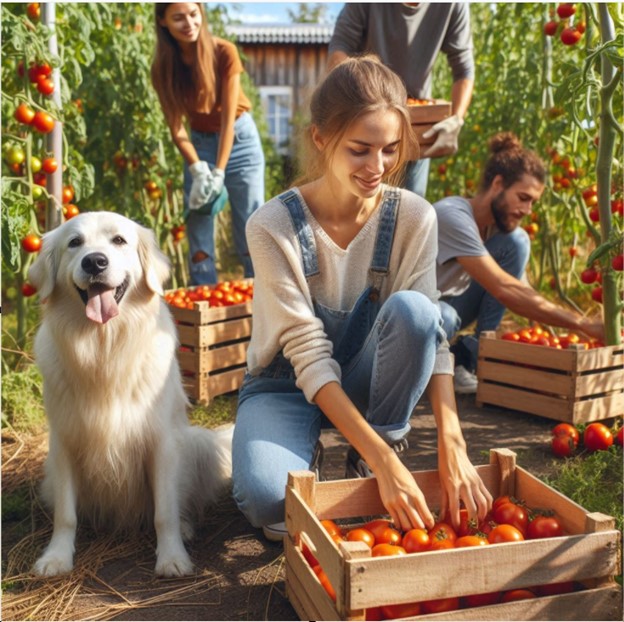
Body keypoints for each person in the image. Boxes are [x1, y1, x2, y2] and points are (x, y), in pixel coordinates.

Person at [232, 56, 491, 542]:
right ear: (320, 139)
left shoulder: (414, 217)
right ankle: (325, 449)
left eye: (391, 149)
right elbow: (306, 353)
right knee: (267, 502)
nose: (378, 168)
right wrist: (387, 466)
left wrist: (451, 441)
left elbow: (430, 340)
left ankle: (376, 445)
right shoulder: (272, 225)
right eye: (360, 150)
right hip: (285, 381)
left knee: (418, 312)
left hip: (364, 373)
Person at [435, 132, 606, 394]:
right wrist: (581, 324)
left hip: (452, 308)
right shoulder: (452, 215)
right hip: (413, 313)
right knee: (441, 318)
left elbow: (521, 292)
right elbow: (507, 290)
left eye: (533, 202)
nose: (528, 211)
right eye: (523, 198)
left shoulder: (499, 232)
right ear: (498, 184)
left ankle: (475, 356)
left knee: (517, 240)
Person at [151, 3, 264, 284]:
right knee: (199, 224)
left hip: (239, 140)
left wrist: (220, 171)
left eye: (193, 14)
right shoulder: (163, 68)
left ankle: (260, 300)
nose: (188, 23)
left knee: (251, 223)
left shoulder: (224, 52)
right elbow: (177, 129)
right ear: (163, 22)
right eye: (178, 18)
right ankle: (204, 301)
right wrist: (198, 168)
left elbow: (227, 121)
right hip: (199, 146)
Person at [327, 3, 474, 198]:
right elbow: (339, 51)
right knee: (357, 209)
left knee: (409, 212)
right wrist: (362, 94)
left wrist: (457, 119)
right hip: (364, 116)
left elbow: (464, 70)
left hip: (416, 127)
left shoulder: (452, 4)